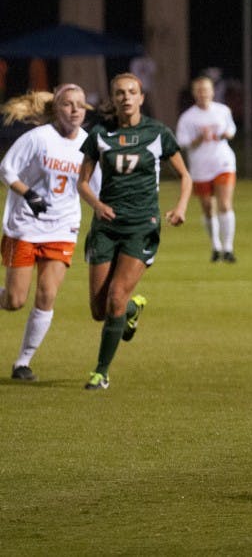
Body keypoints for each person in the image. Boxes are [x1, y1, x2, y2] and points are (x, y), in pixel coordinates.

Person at [77, 72, 192, 390]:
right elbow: (82, 183)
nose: (126, 97)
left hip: (141, 226)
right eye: (120, 93)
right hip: (106, 227)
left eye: (132, 92)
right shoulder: (100, 134)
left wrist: (180, 208)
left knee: (115, 296)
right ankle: (131, 308)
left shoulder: (157, 133)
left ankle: (101, 373)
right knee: (99, 309)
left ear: (141, 98)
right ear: (113, 99)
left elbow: (185, 176)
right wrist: (97, 205)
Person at [0, 84, 90, 381]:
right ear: (56, 109)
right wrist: (28, 194)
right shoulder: (38, 138)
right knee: (14, 301)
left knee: (47, 293)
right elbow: (6, 169)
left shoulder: (89, 144)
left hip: (63, 226)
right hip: (25, 225)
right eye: (67, 104)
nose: (74, 110)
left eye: (80, 104)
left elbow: (95, 185)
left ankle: (22, 363)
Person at [176, 75, 238, 262]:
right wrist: (198, 139)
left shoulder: (222, 110)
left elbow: (231, 130)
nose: (203, 93)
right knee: (208, 208)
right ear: (194, 93)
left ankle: (228, 248)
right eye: (199, 90)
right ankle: (215, 246)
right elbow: (182, 142)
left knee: (224, 204)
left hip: (223, 162)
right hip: (201, 167)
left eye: (206, 90)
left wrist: (226, 134)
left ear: (212, 92)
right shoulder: (188, 117)